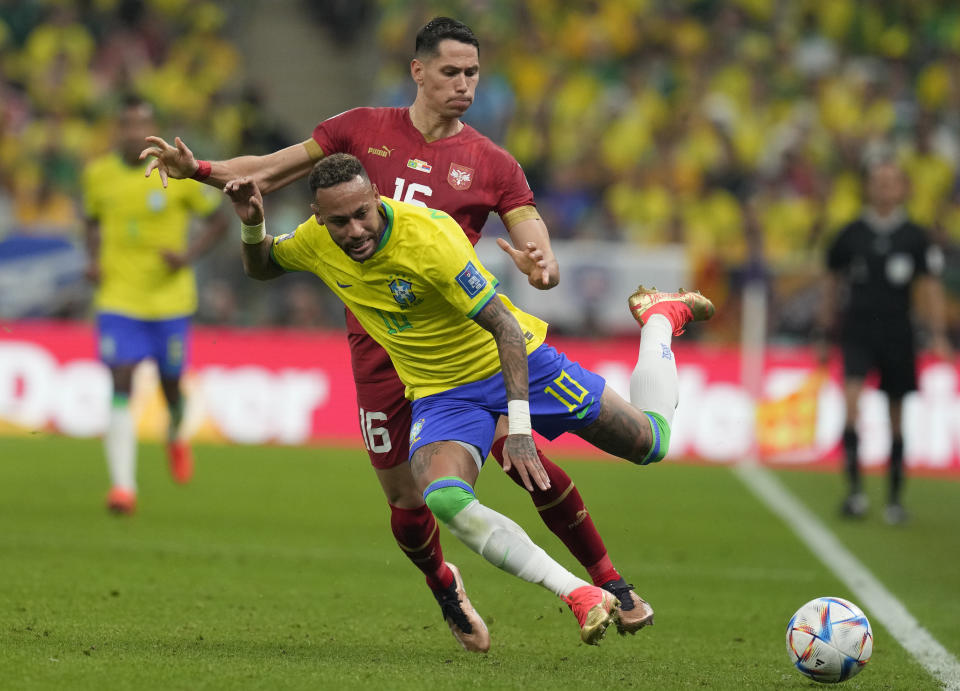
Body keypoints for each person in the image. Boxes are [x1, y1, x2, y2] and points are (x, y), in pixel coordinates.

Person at [140, 17, 653, 649]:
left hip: (460, 344)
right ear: (418, 71)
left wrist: (541, 267)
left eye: (472, 73)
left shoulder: (491, 163)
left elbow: (535, 243)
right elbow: (266, 174)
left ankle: (608, 582)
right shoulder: (359, 130)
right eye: (451, 72)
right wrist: (200, 170)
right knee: (408, 508)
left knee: (527, 463)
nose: (465, 85)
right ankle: (444, 584)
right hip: (377, 348)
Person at [223, 153, 715, 645]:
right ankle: (580, 594)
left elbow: (503, 327)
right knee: (444, 497)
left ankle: (659, 319)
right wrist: (253, 224)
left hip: (517, 362)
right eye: (338, 221)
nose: (353, 231)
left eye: (361, 215)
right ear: (318, 214)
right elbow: (264, 265)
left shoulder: (429, 237)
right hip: (441, 394)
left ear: (376, 199)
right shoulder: (315, 239)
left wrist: (519, 428)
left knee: (650, 443)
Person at [82, 96, 228, 515]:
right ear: (118, 129)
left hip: (169, 300)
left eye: (141, 125)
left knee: (170, 388)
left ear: (152, 131)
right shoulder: (98, 175)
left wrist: (187, 257)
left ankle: (176, 435)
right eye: (126, 125)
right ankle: (123, 488)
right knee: (121, 383)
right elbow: (91, 220)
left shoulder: (174, 172)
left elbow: (217, 219)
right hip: (118, 298)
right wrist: (93, 260)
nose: (132, 133)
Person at [817, 159, 952, 525]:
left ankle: (894, 498)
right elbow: (831, 281)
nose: (884, 188)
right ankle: (855, 493)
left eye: (891, 182)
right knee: (852, 404)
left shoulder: (915, 236)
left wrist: (937, 332)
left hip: (898, 333)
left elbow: (929, 286)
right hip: (858, 330)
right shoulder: (850, 233)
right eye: (878, 181)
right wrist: (826, 328)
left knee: (896, 416)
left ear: (902, 188)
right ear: (869, 187)